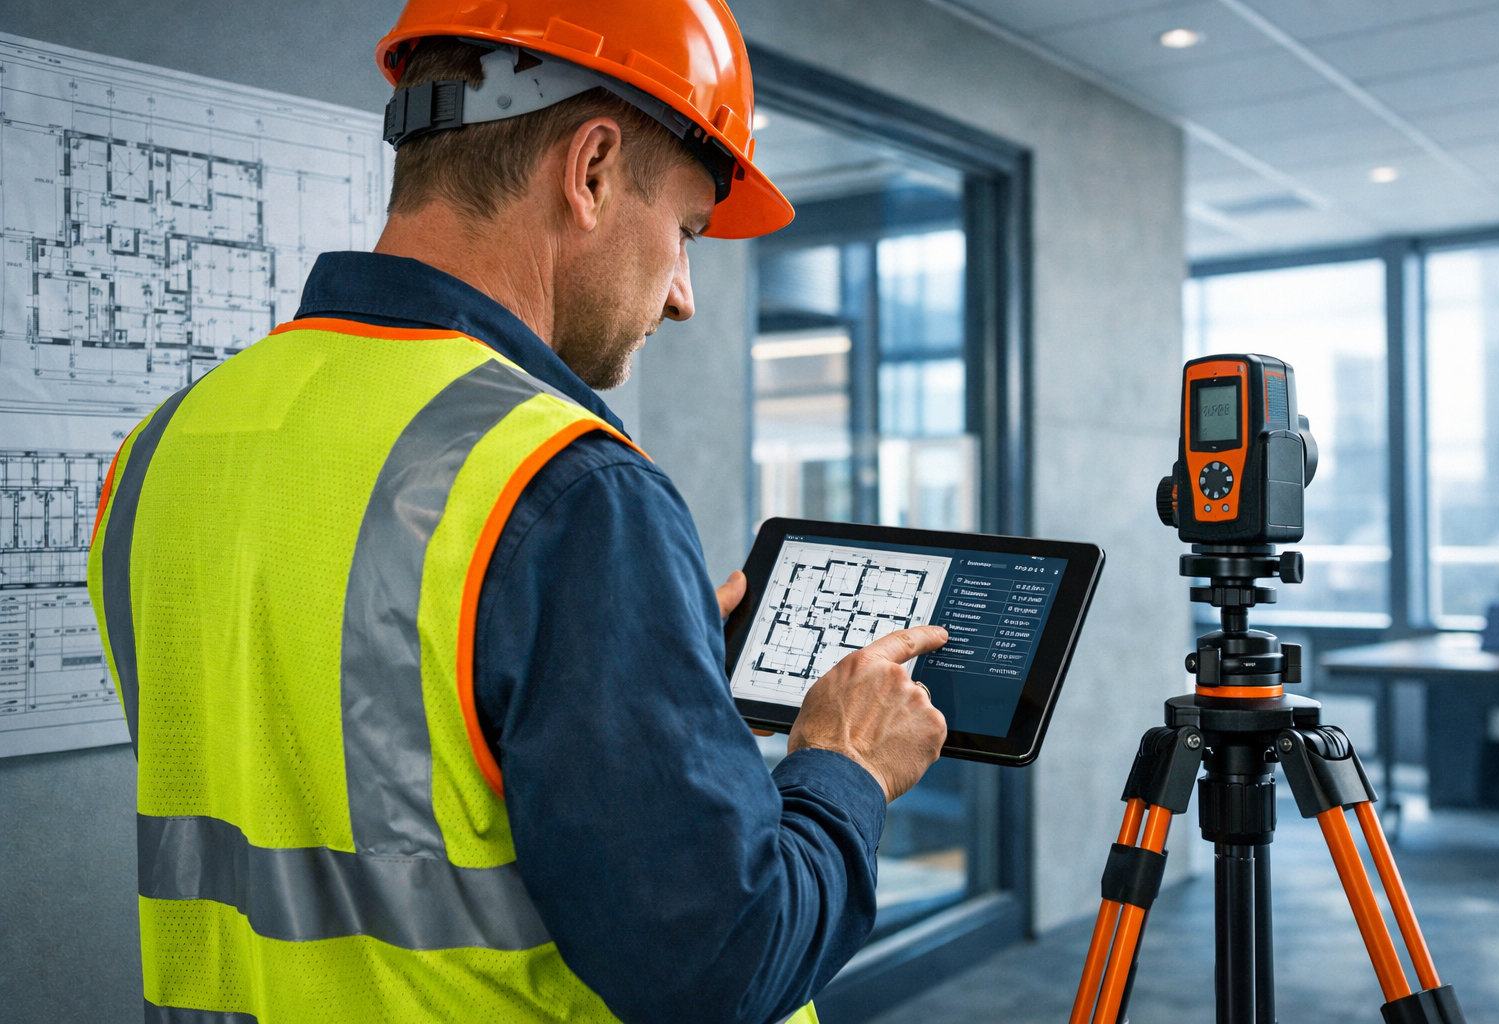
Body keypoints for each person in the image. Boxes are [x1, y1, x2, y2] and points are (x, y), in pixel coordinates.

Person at [86, 3, 949, 1023]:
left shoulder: (162, 447)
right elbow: (721, 961)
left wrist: (620, 687)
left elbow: (362, 750)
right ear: (591, 169)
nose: (684, 296)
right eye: (686, 231)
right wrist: (842, 766)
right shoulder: (571, 488)